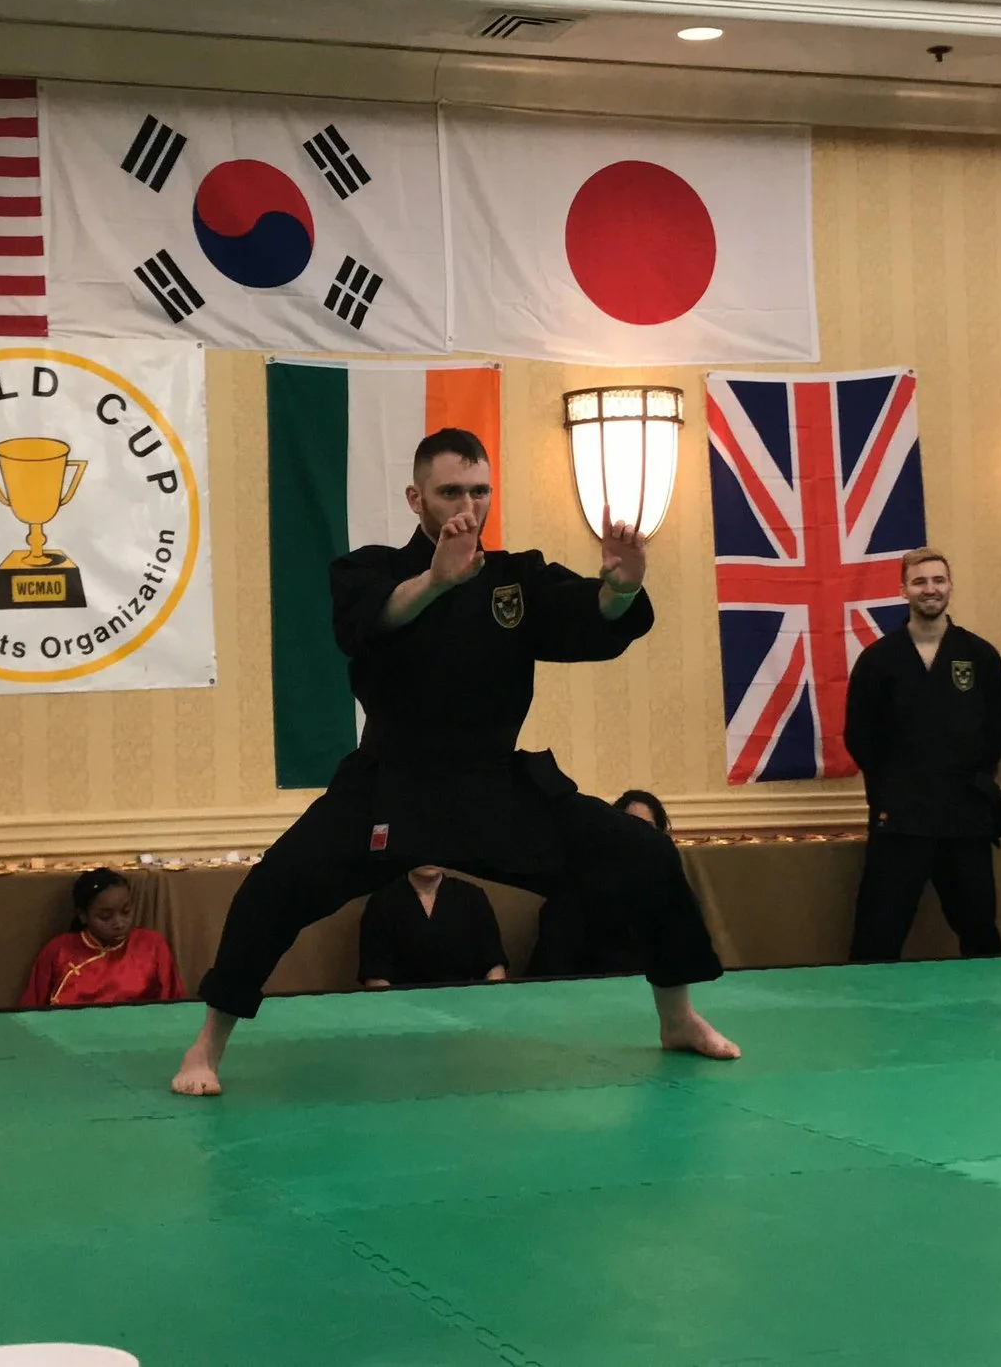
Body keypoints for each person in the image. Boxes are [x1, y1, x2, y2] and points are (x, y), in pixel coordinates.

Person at [171, 428, 736, 1096]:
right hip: (392, 784)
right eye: (450, 491)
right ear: (417, 498)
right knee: (276, 890)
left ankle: (677, 1019)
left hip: (494, 787)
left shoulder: (515, 579)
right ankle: (205, 1047)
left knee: (642, 855)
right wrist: (436, 581)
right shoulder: (370, 570)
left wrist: (620, 589)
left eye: (479, 489)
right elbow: (365, 626)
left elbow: (591, 619)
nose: (468, 503)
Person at [842, 548, 1001, 963]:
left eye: (938, 580)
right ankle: (874, 1014)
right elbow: (858, 735)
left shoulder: (978, 655)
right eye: (919, 582)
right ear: (903, 590)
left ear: (950, 587)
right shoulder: (879, 659)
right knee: (877, 934)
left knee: (980, 931)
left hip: (964, 813)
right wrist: (890, 789)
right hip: (902, 815)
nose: (929, 589)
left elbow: (997, 730)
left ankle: (988, 1010)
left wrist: (974, 780)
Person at [528, 790, 665, 978]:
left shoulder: (670, 888)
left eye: (648, 827)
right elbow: (555, 967)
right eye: (631, 825)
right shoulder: (577, 887)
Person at [20, 867, 184, 1009]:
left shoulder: (152, 945)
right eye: (106, 917)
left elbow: (175, 1007)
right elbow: (31, 1012)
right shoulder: (59, 950)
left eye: (126, 912)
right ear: (83, 916)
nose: (119, 923)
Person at [360, 865, 508, 989]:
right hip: (403, 1009)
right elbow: (376, 976)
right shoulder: (382, 902)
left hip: (465, 1005)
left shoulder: (472, 896)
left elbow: (494, 966)